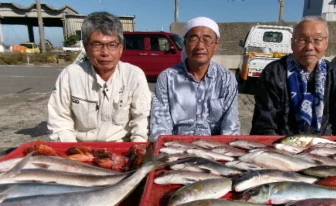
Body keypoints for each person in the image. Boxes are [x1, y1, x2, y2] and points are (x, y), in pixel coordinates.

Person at [48, 11, 151, 142]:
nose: (105, 52)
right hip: (81, 148)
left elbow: (141, 120)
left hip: (121, 147)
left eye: (112, 45)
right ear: (86, 47)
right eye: (97, 45)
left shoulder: (134, 75)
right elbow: (59, 121)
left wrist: (137, 151)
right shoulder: (70, 75)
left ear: (121, 48)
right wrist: (74, 152)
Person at [250, 16, 336, 136]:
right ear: (292, 44)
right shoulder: (274, 72)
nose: (309, 47)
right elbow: (264, 123)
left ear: (326, 44)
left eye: (317, 40)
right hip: (282, 145)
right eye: (302, 40)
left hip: (322, 146)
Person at [150, 16, 240, 141]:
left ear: (216, 45)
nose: (200, 46)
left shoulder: (226, 78)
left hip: (214, 149)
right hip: (177, 147)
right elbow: (160, 125)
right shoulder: (167, 78)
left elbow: (231, 125)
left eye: (207, 39)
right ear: (185, 43)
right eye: (193, 39)